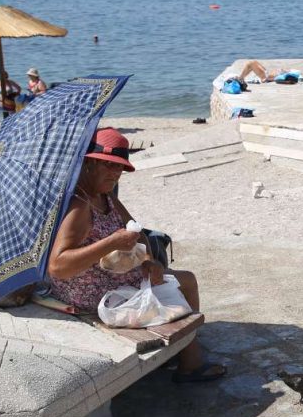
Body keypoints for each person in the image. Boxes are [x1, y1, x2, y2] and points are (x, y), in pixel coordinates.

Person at [47, 128, 226, 383]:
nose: (115, 174)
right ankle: (190, 360)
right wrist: (111, 242)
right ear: (87, 163)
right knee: (181, 285)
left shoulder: (105, 196)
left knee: (184, 279)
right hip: (91, 293)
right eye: (107, 165)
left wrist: (148, 261)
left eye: (119, 168)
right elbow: (57, 266)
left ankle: (185, 350)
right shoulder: (79, 204)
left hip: (111, 279)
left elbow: (137, 232)